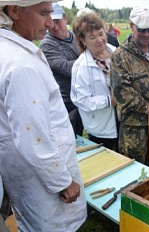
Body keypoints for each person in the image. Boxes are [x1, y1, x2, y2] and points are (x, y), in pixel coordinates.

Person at [0, 0, 87, 231]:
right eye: (43, 13)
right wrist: (62, 182)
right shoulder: (20, 65)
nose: (50, 23)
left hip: (26, 174)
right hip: (42, 182)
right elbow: (32, 137)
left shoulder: (10, 50)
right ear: (15, 11)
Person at [110, 6, 149, 165]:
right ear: (132, 26)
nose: (147, 34)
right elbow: (122, 92)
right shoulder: (120, 55)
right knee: (136, 169)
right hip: (134, 127)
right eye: (142, 29)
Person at [71, 11, 118, 151]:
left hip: (123, 121)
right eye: (92, 37)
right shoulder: (82, 67)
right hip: (102, 127)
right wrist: (109, 101)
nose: (99, 40)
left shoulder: (116, 53)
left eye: (101, 34)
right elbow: (80, 100)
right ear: (83, 41)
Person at [39, 3, 83, 136]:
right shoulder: (47, 45)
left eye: (58, 21)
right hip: (66, 102)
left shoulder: (77, 37)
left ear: (65, 19)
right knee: (69, 138)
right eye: (51, 22)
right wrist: (92, 58)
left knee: (83, 135)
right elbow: (68, 69)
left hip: (83, 97)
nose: (54, 26)